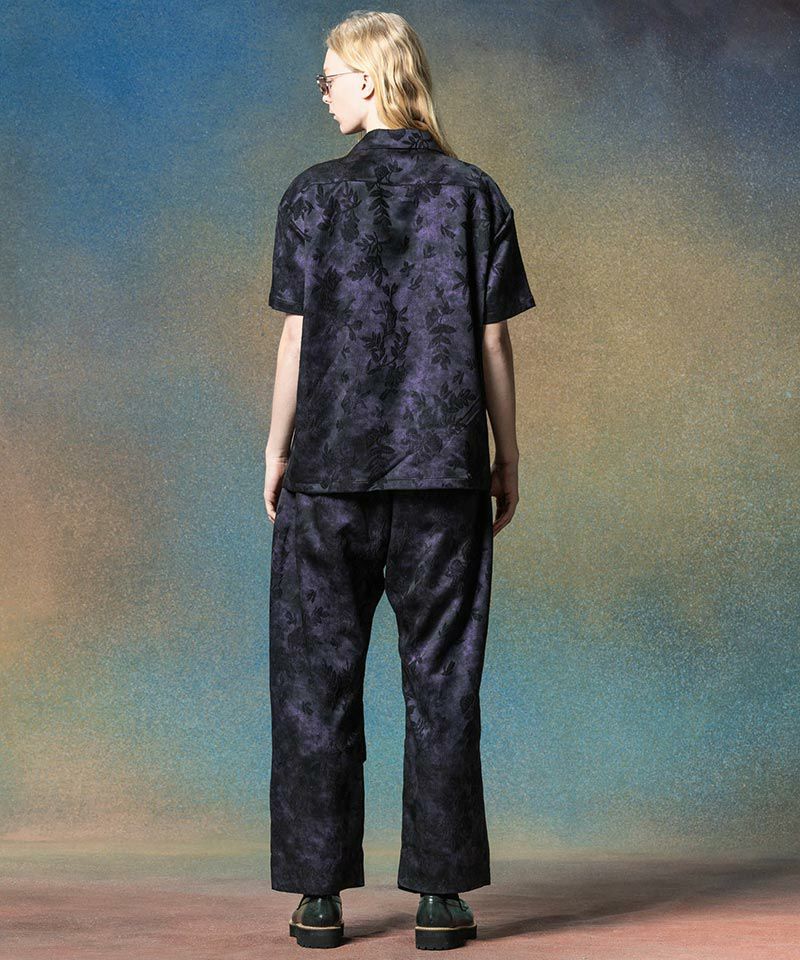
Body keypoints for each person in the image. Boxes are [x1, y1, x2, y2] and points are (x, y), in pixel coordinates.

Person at [263, 11, 536, 950]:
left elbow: (296, 337)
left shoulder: (312, 195)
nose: (323, 92)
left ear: (372, 80)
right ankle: (440, 899)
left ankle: (318, 898)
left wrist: (276, 451)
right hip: (442, 480)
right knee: (442, 683)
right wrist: (506, 457)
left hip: (328, 480)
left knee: (315, 686)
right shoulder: (474, 195)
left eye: (331, 77)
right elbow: (493, 342)